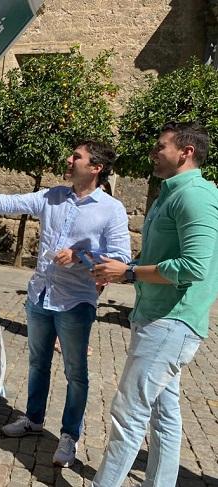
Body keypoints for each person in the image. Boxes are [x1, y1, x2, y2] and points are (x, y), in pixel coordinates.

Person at [0, 141, 131, 467]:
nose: (68, 159)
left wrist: (81, 255)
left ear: (95, 168)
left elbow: (120, 261)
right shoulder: (52, 196)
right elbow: (14, 201)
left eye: (76, 156)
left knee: (76, 374)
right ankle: (34, 420)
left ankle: (68, 436)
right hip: (40, 296)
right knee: (37, 364)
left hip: (76, 303)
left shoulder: (112, 209)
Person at [91, 122, 218, 486]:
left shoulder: (195, 196)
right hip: (159, 317)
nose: (154, 152)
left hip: (171, 321)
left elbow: (193, 266)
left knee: (128, 414)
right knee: (164, 412)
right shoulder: (170, 193)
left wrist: (129, 273)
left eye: (161, 146)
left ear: (186, 152)